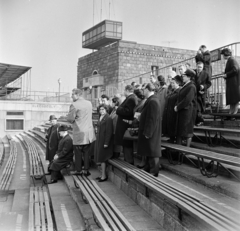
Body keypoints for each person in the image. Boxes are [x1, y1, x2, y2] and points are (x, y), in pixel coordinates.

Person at [67, 88, 96, 176]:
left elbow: (70, 119)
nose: (71, 96)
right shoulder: (89, 103)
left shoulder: (74, 105)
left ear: (77, 95)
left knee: (78, 152)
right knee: (87, 152)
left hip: (79, 132)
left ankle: (78, 170)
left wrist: (69, 117)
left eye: (72, 94)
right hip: (88, 132)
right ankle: (86, 170)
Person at [137, 83, 162, 177]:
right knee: (148, 151)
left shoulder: (153, 101)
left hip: (151, 132)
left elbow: (152, 118)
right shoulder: (151, 100)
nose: (143, 92)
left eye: (144, 90)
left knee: (152, 152)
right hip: (148, 130)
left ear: (148, 90)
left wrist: (148, 132)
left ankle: (154, 172)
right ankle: (148, 168)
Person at [123, 89, 146, 168]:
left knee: (142, 144)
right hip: (136, 124)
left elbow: (138, 116)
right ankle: (141, 161)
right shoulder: (139, 103)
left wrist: (131, 122)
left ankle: (143, 161)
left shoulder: (142, 103)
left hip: (139, 125)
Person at [115, 85, 137, 165]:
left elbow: (128, 111)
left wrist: (118, 108)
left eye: (124, 90)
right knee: (125, 145)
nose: (123, 92)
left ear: (127, 90)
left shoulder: (131, 98)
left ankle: (129, 162)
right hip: (125, 125)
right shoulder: (130, 98)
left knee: (127, 145)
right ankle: (127, 161)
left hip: (126, 126)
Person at [174, 70, 197, 147]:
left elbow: (187, 99)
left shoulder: (191, 86)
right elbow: (180, 97)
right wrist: (176, 105)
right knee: (180, 131)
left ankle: (187, 149)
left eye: (184, 76)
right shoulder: (185, 85)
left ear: (189, 77)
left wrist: (178, 106)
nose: (182, 77)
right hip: (182, 110)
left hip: (188, 111)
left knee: (187, 131)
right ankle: (179, 149)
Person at [94, 104, 114, 182]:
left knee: (102, 158)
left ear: (106, 110)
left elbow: (109, 132)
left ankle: (103, 176)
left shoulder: (108, 118)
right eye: (100, 109)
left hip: (104, 141)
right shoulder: (101, 117)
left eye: (103, 109)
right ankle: (101, 174)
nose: (101, 111)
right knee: (99, 157)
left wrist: (106, 142)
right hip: (99, 139)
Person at [162, 75, 183, 143]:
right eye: (171, 83)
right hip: (170, 112)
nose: (172, 84)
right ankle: (171, 139)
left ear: (177, 83)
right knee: (171, 129)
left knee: (174, 129)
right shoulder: (173, 91)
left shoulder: (180, 91)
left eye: (173, 83)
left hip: (174, 113)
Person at [221, 48, 240, 117]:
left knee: (234, 99)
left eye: (223, 54)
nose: (222, 56)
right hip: (232, 83)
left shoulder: (232, 60)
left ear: (225, 54)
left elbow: (236, 69)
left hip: (234, 84)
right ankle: (231, 114)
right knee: (232, 99)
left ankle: (233, 114)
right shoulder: (230, 60)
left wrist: (226, 74)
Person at [194, 61, 212, 126]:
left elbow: (209, 83)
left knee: (199, 108)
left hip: (201, 93)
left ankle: (199, 120)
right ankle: (198, 120)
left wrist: (203, 86)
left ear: (203, 67)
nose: (199, 68)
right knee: (196, 107)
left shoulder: (206, 74)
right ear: (196, 66)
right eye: (198, 67)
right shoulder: (193, 72)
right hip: (194, 93)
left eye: (200, 67)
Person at [109, 94, 123, 158]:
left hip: (116, 130)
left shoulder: (118, 109)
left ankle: (116, 156)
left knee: (117, 147)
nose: (111, 103)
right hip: (113, 130)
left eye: (113, 102)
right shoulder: (113, 110)